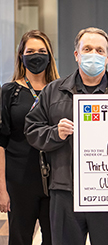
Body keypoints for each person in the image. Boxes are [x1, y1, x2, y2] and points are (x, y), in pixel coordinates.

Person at [24, 27, 108, 245]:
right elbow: (32, 129)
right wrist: (55, 133)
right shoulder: (53, 91)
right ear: (77, 54)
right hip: (66, 191)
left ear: (107, 57)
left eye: (99, 50)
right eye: (88, 49)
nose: (94, 54)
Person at [0, 30, 59, 245]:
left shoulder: (60, 91)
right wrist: (1, 189)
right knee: (19, 238)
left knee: (54, 239)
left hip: (55, 180)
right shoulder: (9, 92)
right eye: (30, 51)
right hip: (19, 180)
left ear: (50, 55)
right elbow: (1, 142)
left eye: (42, 51)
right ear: (21, 56)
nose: (36, 56)